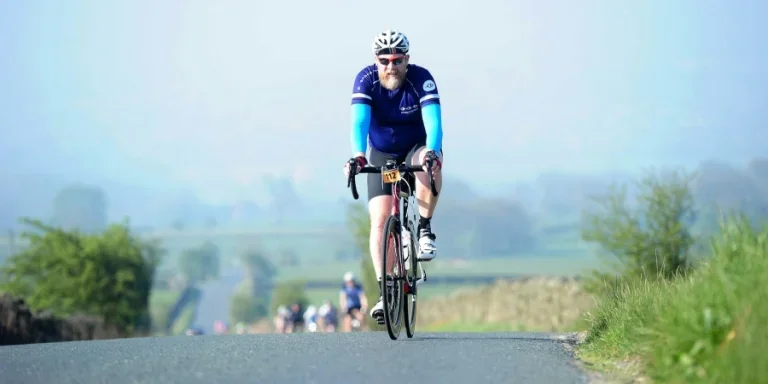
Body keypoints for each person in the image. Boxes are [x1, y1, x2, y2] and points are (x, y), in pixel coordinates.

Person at [342, 29, 444, 322]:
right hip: (383, 154)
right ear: (376, 60)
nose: (391, 66)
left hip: (416, 148)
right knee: (380, 220)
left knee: (428, 162)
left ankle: (424, 229)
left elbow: (434, 123)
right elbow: (359, 122)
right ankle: (384, 291)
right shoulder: (366, 80)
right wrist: (358, 156)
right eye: (384, 60)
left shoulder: (421, 79)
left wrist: (432, 152)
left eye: (397, 60)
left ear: (407, 59)